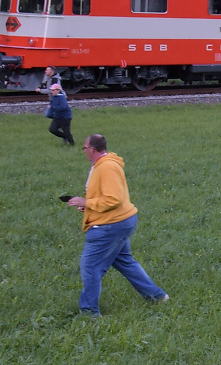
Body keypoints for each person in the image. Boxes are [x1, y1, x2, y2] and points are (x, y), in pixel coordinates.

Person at [65, 134, 168, 316]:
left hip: (110, 225)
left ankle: (89, 313)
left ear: (93, 149)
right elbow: (105, 197)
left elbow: (113, 199)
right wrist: (88, 206)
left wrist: (87, 203)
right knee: (125, 262)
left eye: (85, 148)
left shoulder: (107, 167)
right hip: (119, 221)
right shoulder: (102, 165)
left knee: (90, 267)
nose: (84, 152)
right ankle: (157, 296)